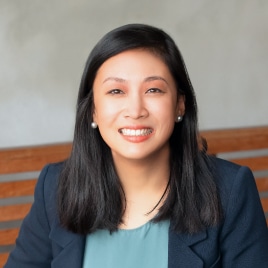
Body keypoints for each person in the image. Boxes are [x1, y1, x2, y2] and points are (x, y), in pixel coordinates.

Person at [4, 23, 268, 268]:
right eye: (116, 91)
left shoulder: (230, 190)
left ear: (180, 104)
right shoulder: (55, 186)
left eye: (153, 90)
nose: (135, 110)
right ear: (93, 110)